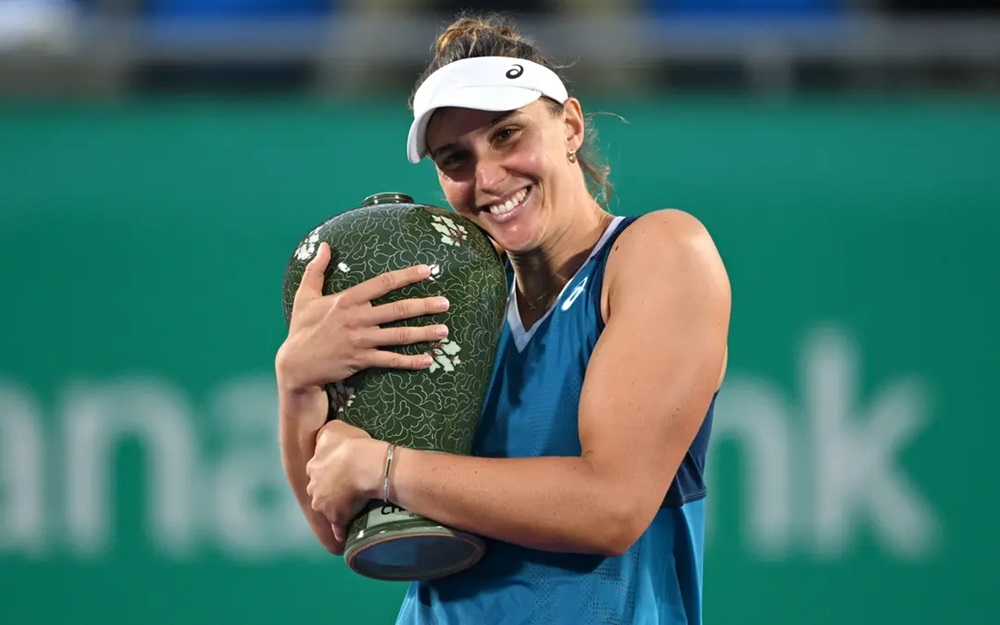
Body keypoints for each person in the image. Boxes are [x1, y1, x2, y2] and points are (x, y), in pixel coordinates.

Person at [275, 12, 731, 625]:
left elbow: (611, 507)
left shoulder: (660, 252)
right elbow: (343, 528)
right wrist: (298, 383)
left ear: (569, 125)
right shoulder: (454, 298)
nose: (488, 178)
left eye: (507, 135)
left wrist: (386, 467)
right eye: (455, 158)